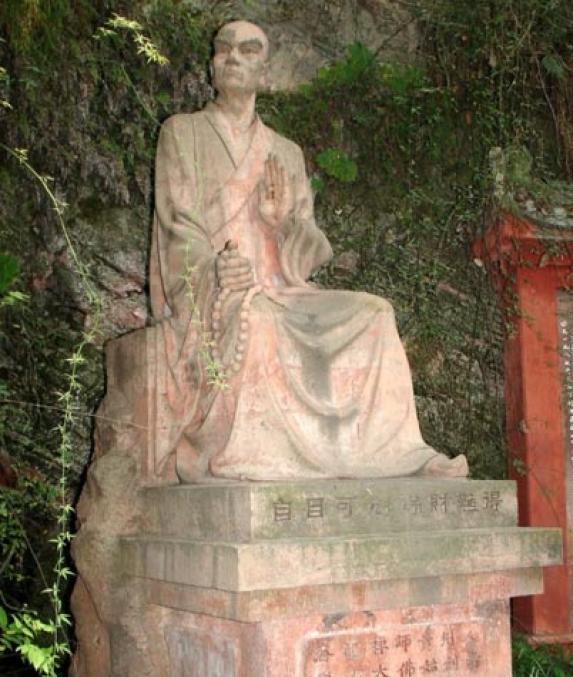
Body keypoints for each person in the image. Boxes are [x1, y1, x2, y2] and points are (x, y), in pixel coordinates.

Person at [148, 20, 468, 482]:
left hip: (282, 288)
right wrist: (216, 269)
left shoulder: (286, 152)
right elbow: (177, 223)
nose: (233, 57)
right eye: (224, 49)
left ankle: (395, 454)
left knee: (375, 313)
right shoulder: (182, 133)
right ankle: (254, 456)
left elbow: (311, 249)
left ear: (266, 72)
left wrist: (281, 225)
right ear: (211, 64)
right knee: (258, 320)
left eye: (248, 50)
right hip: (218, 293)